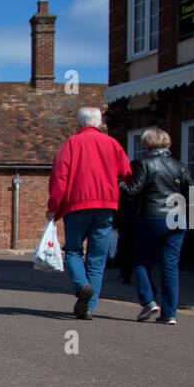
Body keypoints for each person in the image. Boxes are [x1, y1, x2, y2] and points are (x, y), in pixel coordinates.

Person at [46, 107, 132, 320]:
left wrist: (54, 207)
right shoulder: (112, 144)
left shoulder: (71, 145)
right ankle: (90, 307)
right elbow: (127, 174)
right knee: (97, 258)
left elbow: (59, 178)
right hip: (106, 206)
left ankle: (81, 286)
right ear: (99, 122)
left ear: (79, 123)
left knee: (74, 251)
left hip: (77, 206)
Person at [121, 128, 191, 325]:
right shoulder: (180, 166)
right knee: (170, 266)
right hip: (177, 219)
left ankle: (148, 301)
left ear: (146, 145)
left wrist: (118, 184)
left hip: (152, 217)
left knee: (141, 262)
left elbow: (133, 192)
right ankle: (169, 314)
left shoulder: (145, 164)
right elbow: (191, 191)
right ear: (167, 144)